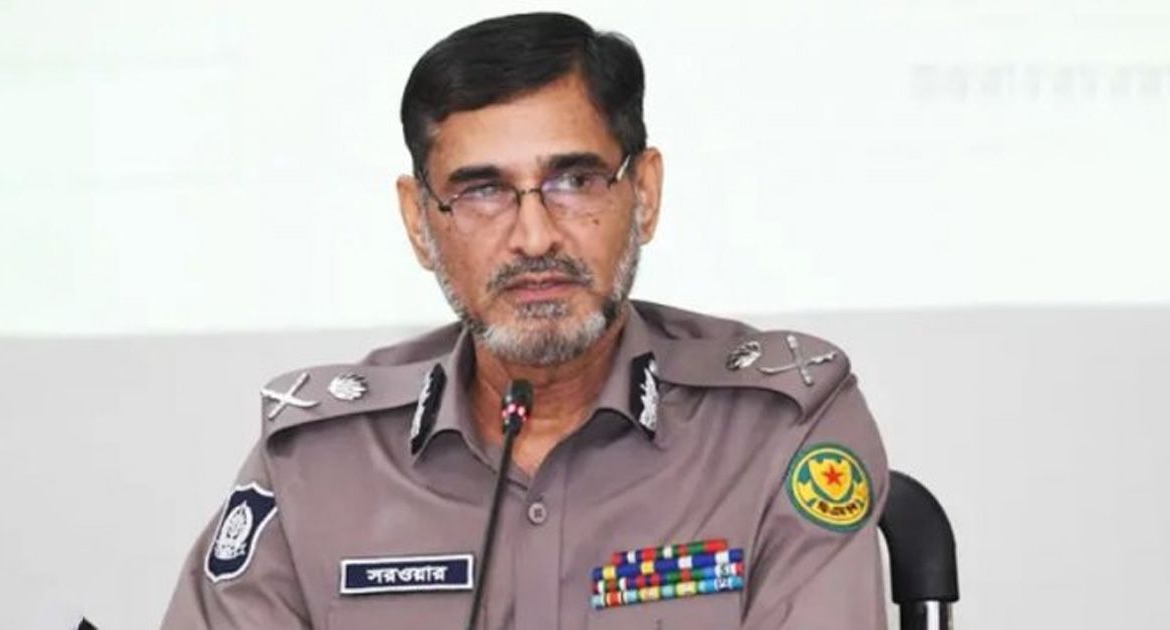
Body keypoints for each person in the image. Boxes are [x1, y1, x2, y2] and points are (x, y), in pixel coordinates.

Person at [163, 11, 889, 630]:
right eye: (482, 191)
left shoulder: (777, 429)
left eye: (574, 181)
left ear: (644, 195)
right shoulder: (320, 463)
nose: (535, 237)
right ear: (420, 223)